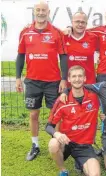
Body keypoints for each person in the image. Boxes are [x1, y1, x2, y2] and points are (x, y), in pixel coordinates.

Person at [15, 1, 68, 161]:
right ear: (34, 11)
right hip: (32, 81)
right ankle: (35, 145)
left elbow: (63, 56)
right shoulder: (25, 32)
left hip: (53, 82)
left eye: (43, 10)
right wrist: (18, 77)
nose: (40, 13)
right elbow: (20, 55)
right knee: (33, 114)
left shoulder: (57, 32)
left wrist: (64, 79)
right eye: (38, 10)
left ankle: (57, 144)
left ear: (48, 12)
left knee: (57, 115)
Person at [46, 65, 100, 176]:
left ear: (85, 78)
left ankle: (80, 162)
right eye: (74, 76)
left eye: (80, 76)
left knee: (95, 174)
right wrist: (56, 134)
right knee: (53, 144)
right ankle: (62, 170)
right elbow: (48, 126)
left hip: (84, 145)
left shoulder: (94, 96)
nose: (77, 79)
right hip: (66, 142)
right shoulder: (62, 100)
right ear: (69, 79)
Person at [65, 11, 98, 84]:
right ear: (72, 22)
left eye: (83, 22)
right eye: (77, 21)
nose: (80, 24)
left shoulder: (93, 37)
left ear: (86, 24)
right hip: (70, 83)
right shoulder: (64, 36)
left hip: (89, 83)